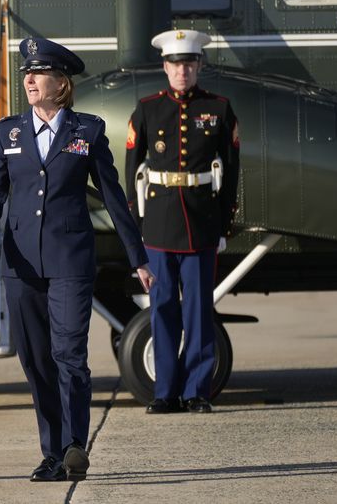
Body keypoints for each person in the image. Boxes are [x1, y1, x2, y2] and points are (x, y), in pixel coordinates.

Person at [0, 38, 153, 482]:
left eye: (39, 74)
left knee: (68, 353)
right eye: (26, 74)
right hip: (21, 265)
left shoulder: (86, 131)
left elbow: (114, 198)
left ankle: (74, 445)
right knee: (36, 360)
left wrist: (139, 258)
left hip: (70, 261)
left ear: (61, 84)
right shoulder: (8, 132)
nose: (29, 80)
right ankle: (51, 452)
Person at [125, 29, 240, 414]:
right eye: (176, 65)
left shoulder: (220, 109)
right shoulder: (147, 109)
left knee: (198, 311)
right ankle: (165, 392)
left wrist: (224, 223)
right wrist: (136, 223)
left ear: (198, 66)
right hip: (158, 224)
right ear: (165, 67)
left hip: (202, 222)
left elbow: (232, 171)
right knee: (162, 309)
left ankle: (197, 392)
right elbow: (131, 169)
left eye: (189, 64)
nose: (182, 72)